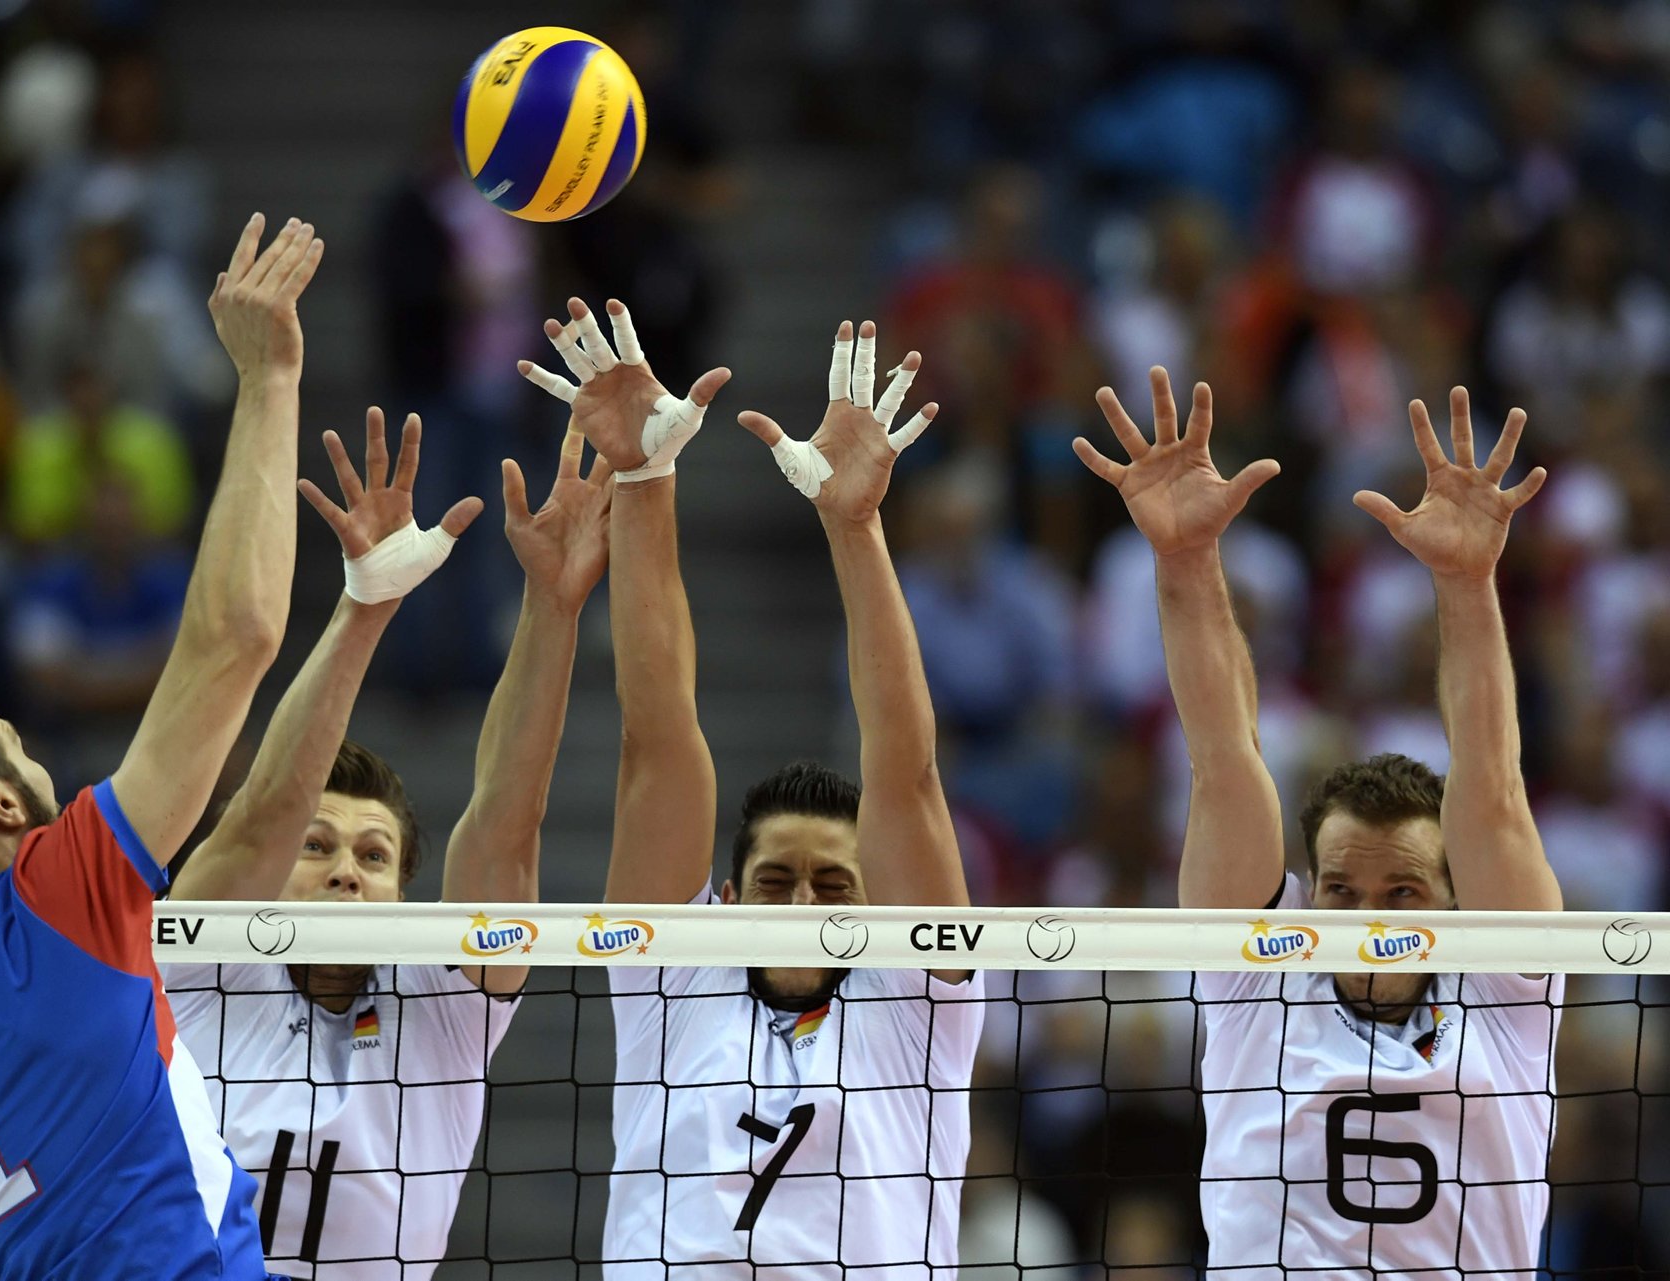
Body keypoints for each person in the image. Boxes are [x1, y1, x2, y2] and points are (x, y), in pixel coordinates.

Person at [0, 213, 324, 1280]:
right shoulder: (56, 895)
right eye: (17, 747)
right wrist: (269, 378)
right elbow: (235, 638)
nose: (39, 761)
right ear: (4, 806)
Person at [520, 304, 983, 1276]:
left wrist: (855, 528)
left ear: (876, 907)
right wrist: (643, 480)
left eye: (832, 886)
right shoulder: (674, 974)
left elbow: (906, 771)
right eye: (778, 883)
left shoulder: (918, 1007)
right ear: (726, 901)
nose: (806, 908)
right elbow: (657, 740)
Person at [1074, 370, 1563, 1277]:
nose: (1368, 917)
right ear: (1310, 892)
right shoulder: (1263, 979)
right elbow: (1223, 756)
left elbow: (1492, 789)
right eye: (1341, 889)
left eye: (1403, 892)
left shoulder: (1506, 998)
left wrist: (1466, 583)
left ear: (1461, 910)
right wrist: (1184, 559)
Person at [161, 407, 609, 1280]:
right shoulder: (200, 965)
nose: (343, 873)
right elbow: (260, 810)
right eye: (318, 846)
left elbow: (506, 816)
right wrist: (365, 605)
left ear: (404, 897)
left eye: (372, 858)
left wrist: (554, 605)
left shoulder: (444, 1004)